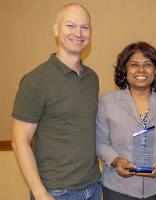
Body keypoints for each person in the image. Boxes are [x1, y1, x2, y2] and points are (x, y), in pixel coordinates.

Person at [11, 4, 101, 200]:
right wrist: (40, 193)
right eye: (70, 25)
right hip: (56, 192)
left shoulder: (92, 78)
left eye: (85, 27)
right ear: (56, 29)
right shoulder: (36, 80)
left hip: (94, 186)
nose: (78, 33)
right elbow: (20, 141)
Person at [96, 41, 156, 200]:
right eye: (134, 64)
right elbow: (100, 142)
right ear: (124, 70)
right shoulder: (107, 102)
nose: (141, 70)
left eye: (148, 64)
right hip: (118, 189)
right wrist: (115, 160)